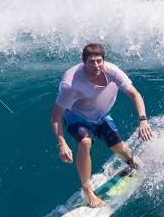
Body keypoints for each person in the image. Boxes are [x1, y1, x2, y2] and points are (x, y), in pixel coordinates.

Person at [51, 43, 153, 208]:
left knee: (118, 147)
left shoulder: (112, 71)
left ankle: (132, 163)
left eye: (99, 61)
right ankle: (88, 192)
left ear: (104, 60)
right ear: (84, 62)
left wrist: (143, 120)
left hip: (101, 115)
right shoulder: (70, 84)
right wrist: (62, 143)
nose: (96, 65)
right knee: (85, 142)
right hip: (76, 116)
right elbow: (56, 117)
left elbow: (135, 94)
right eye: (91, 62)